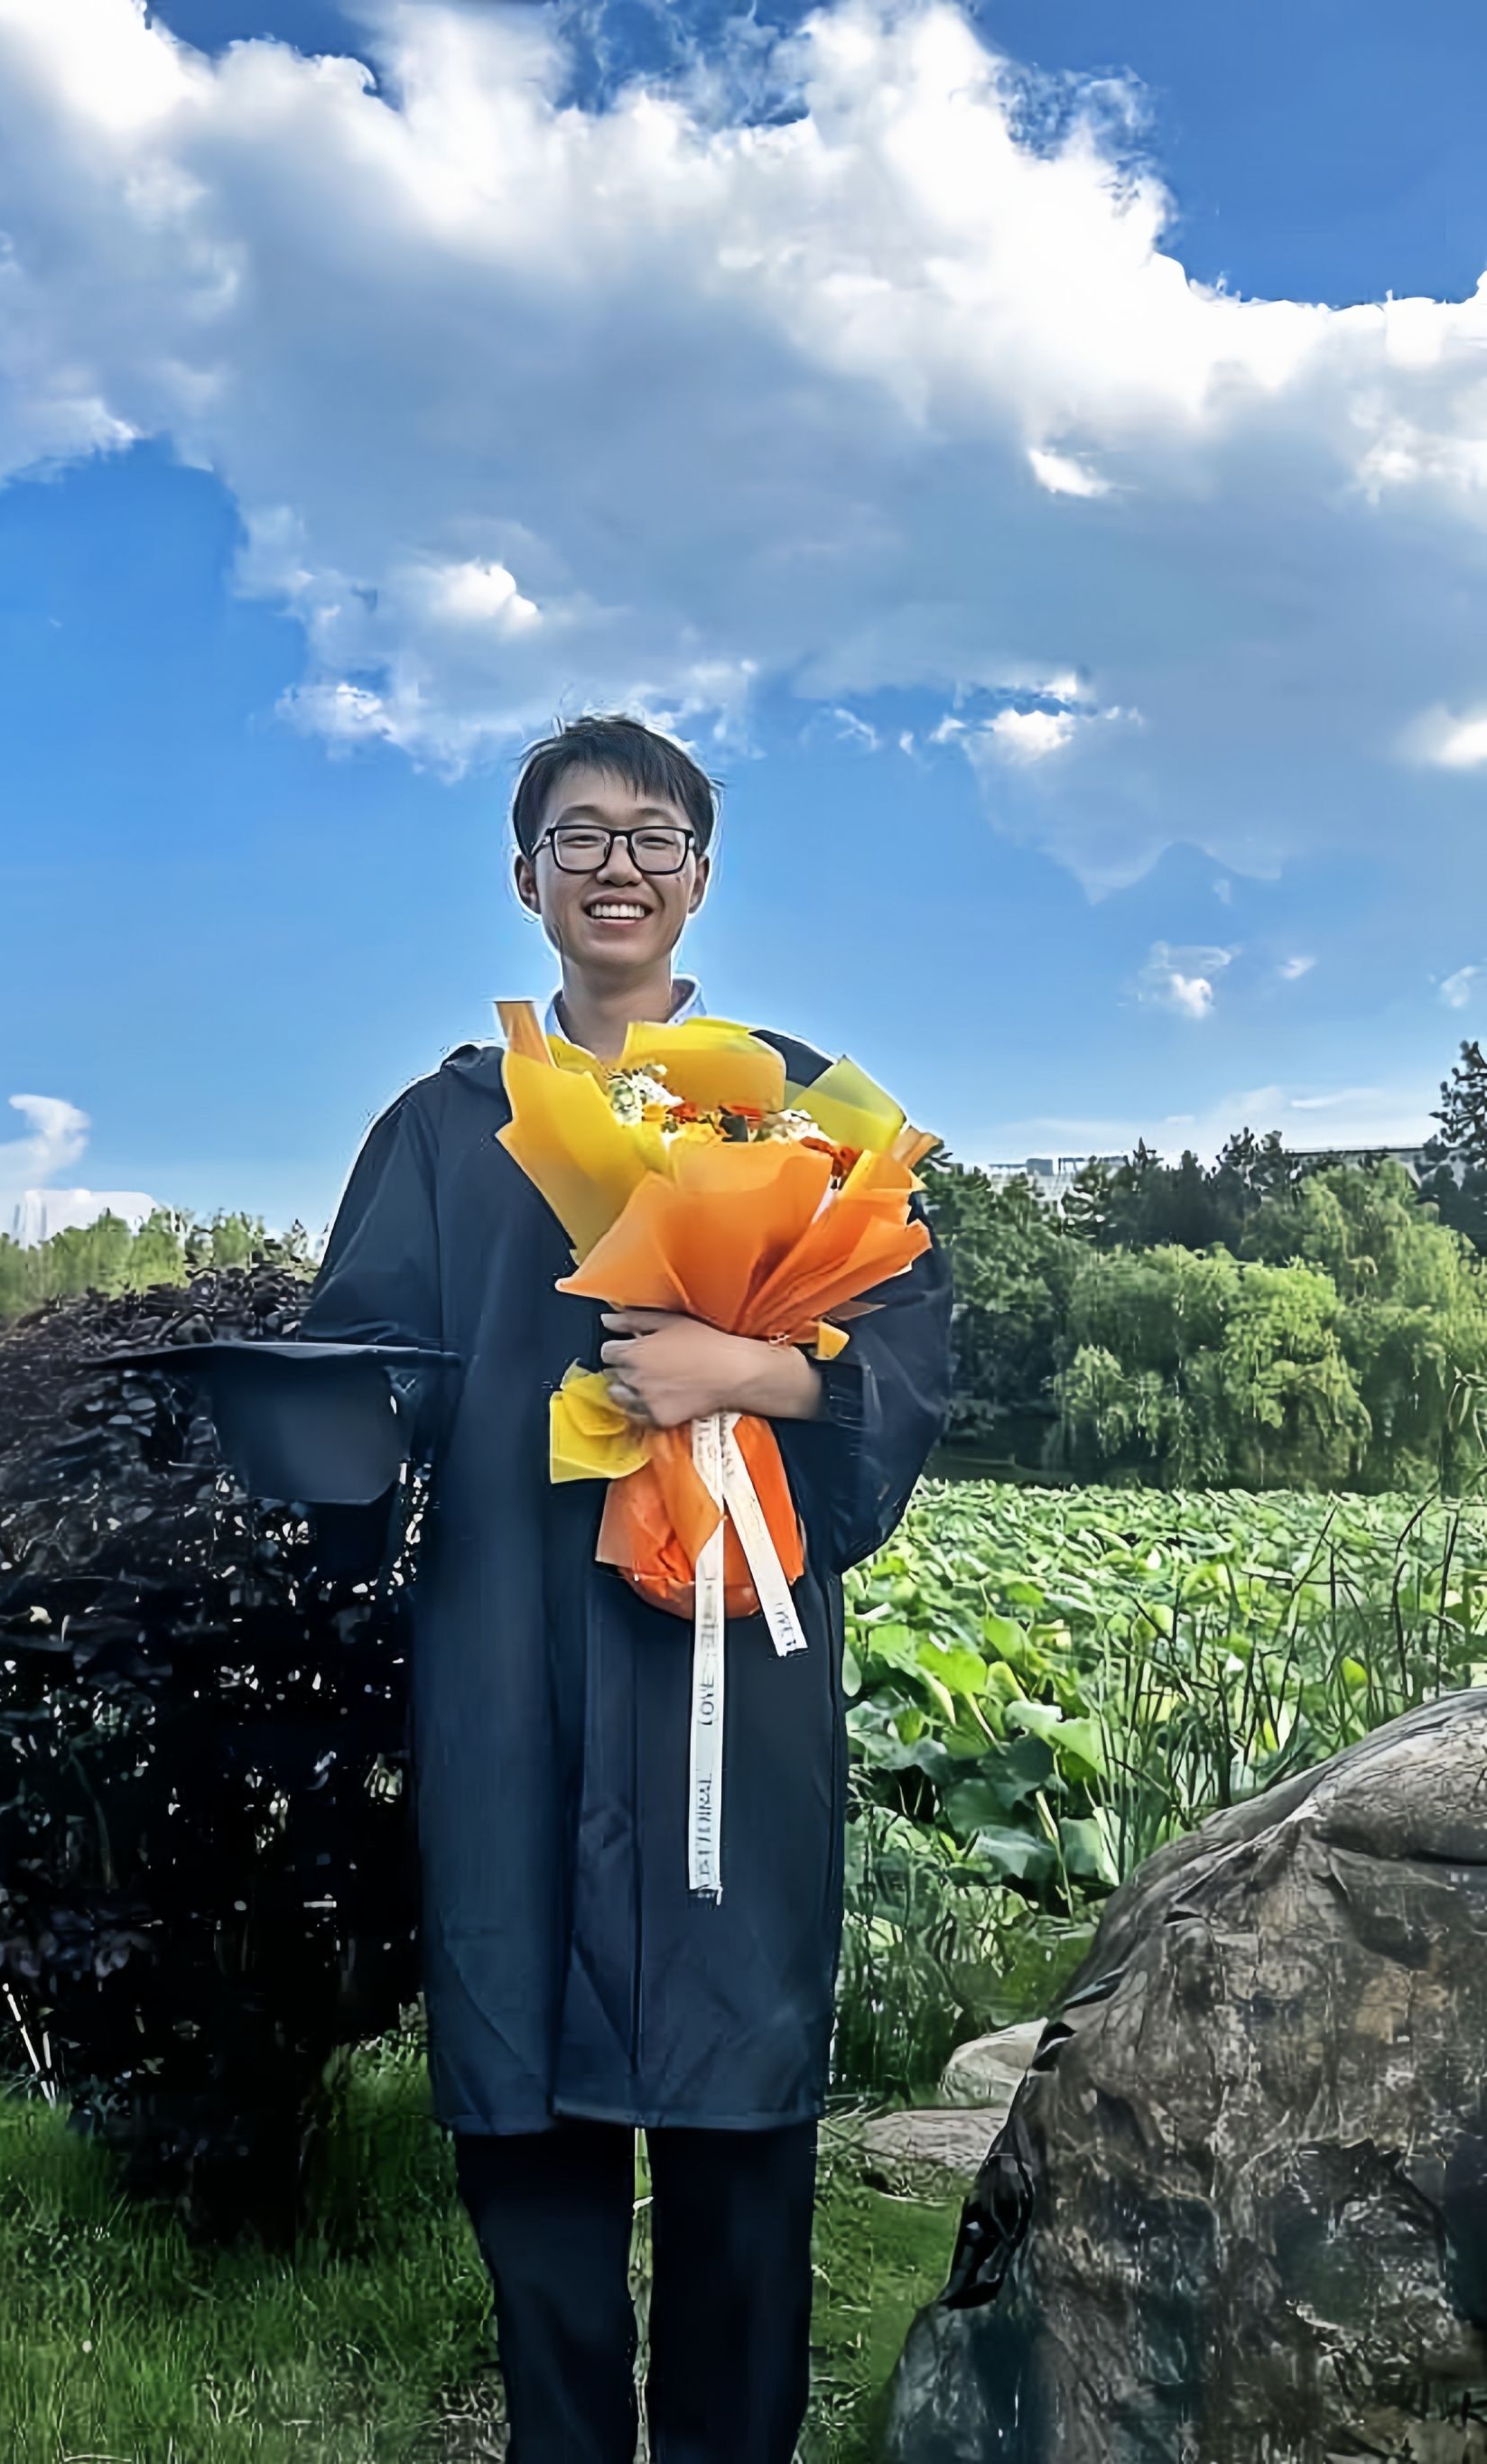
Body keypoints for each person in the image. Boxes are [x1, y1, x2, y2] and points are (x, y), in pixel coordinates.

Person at [299, 713, 953, 2462]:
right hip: (512, 1642)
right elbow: (367, 1363)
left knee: (737, 2083)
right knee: (524, 2082)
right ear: (526, 879)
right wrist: (313, 1421)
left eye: (651, 837)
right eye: (577, 836)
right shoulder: (450, 1126)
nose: (616, 866)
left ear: (700, 877)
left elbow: (906, 1357)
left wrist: (745, 1372)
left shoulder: (798, 1109)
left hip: (727, 1642)